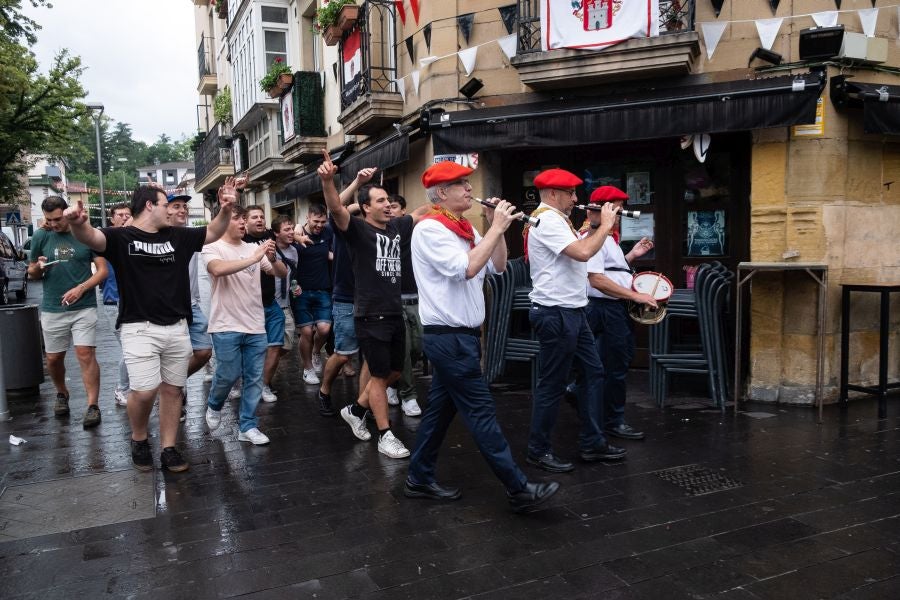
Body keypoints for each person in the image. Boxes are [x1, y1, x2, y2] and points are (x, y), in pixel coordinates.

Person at [406, 161, 560, 512]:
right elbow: (467, 268)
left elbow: (498, 266)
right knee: (481, 411)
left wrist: (496, 227)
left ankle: (418, 477)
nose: (470, 189)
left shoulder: (462, 228)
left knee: (439, 414)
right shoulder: (431, 229)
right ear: (442, 193)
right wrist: (496, 228)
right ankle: (518, 489)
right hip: (448, 338)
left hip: (462, 337)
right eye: (461, 184)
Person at [63, 181, 236, 472]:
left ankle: (169, 448)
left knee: (173, 390)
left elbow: (214, 231)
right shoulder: (121, 237)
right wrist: (77, 223)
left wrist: (227, 207)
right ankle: (139, 437)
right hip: (138, 327)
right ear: (149, 206)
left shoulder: (178, 236)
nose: (171, 211)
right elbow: (90, 237)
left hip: (178, 327)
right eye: (166, 205)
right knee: (143, 391)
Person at [317, 150, 426, 459]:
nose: (387, 204)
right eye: (380, 201)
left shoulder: (396, 228)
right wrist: (328, 180)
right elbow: (336, 208)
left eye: (389, 200)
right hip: (370, 313)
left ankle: (355, 409)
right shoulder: (357, 230)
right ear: (365, 207)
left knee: (393, 372)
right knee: (378, 376)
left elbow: (421, 212)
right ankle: (385, 434)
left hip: (394, 312)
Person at [524, 168, 625, 474]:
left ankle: (592, 442)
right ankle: (538, 449)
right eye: (570, 193)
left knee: (594, 373)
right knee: (551, 384)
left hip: (573, 311)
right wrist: (605, 225)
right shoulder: (548, 219)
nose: (576, 199)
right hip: (555, 313)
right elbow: (582, 253)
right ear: (553, 194)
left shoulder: (560, 219)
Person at [202, 205, 287, 445]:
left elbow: (280, 273)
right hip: (225, 324)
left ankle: (248, 426)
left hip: (255, 324)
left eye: (243, 219)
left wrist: (272, 258)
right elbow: (217, 270)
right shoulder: (212, 247)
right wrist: (254, 258)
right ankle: (214, 404)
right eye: (236, 219)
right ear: (223, 222)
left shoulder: (253, 248)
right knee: (228, 374)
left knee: (254, 378)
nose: (242, 223)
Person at [28, 196, 108, 427]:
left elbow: (102, 271)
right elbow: (32, 272)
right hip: (53, 307)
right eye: (49, 220)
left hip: (83, 306)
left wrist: (81, 288)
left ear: (67, 212)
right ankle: (62, 393)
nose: (54, 224)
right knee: (53, 359)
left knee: (85, 354)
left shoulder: (85, 233)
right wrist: (37, 268)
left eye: (58, 219)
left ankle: (93, 405)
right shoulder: (42, 235)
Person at [583, 186, 655, 441]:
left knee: (614, 365)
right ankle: (612, 421)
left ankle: (605, 417)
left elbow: (611, 270)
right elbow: (596, 280)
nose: (622, 215)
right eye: (618, 209)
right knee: (614, 367)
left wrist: (632, 255)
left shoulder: (607, 238)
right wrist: (636, 296)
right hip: (605, 310)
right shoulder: (593, 236)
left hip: (612, 308)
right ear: (605, 209)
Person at [317, 168, 375, 418]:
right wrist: (358, 182)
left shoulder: (376, 232)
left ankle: (364, 404)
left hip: (372, 301)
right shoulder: (343, 232)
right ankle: (324, 389)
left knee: (372, 358)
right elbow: (335, 206)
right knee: (343, 355)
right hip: (346, 300)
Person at [165, 192, 214, 422]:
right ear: (163, 210)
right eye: (176, 206)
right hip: (167, 309)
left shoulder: (191, 235)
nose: (182, 210)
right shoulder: (156, 236)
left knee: (204, 351)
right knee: (171, 356)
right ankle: (173, 395)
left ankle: (173, 383)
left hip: (192, 304)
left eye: (184, 206)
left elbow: (219, 231)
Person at [386, 193, 422, 417]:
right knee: (405, 350)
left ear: (403, 212)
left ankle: (393, 379)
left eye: (394, 206)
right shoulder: (376, 233)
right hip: (392, 301)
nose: (389, 209)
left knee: (419, 346)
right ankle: (408, 395)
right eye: (385, 205)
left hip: (417, 298)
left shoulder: (413, 230)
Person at [243, 206, 284, 403]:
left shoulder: (269, 235)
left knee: (275, 345)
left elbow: (290, 231)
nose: (259, 220)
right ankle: (242, 383)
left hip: (270, 302)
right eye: (254, 217)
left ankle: (264, 385)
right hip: (247, 306)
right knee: (251, 350)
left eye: (261, 216)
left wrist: (300, 236)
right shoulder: (240, 240)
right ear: (244, 221)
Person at [294, 204, 334, 385]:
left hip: (322, 289)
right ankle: (308, 368)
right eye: (316, 221)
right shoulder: (297, 233)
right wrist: (296, 235)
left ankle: (317, 351)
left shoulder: (327, 233)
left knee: (325, 329)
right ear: (308, 218)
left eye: (322, 221)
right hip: (300, 291)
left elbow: (342, 210)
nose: (319, 225)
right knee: (306, 332)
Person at [101, 202, 132, 408]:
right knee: (129, 349)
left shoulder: (135, 238)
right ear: (112, 219)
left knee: (135, 348)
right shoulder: (106, 240)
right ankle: (121, 388)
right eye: (119, 215)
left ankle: (132, 388)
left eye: (127, 214)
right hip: (114, 301)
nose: (123, 217)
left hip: (136, 300)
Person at [269, 215, 301, 390]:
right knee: (271, 345)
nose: (291, 233)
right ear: (275, 233)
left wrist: (296, 288)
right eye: (286, 230)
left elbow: (293, 276)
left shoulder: (294, 251)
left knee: (287, 346)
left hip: (285, 302)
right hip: (268, 304)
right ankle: (264, 380)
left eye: (292, 229)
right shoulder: (268, 248)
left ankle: (265, 367)